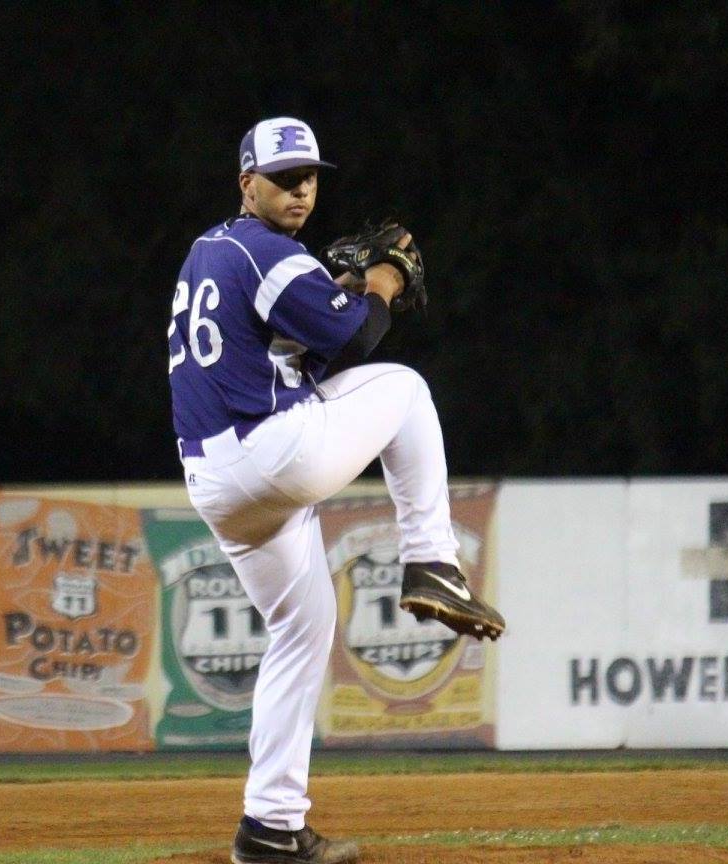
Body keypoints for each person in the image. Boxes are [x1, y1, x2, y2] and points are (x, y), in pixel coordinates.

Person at [167, 116, 505, 864]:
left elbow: (292, 357)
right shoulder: (268, 251)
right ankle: (433, 561)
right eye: (284, 178)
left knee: (303, 626)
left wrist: (345, 292)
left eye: (310, 177)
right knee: (405, 390)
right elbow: (355, 339)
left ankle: (269, 825)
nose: (301, 190)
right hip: (269, 454)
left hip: (217, 483)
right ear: (246, 183)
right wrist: (380, 284)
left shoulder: (210, 252)